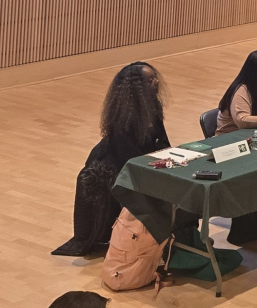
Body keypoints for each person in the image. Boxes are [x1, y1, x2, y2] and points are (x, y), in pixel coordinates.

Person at [52, 62, 169, 256]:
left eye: (154, 77)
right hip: (112, 165)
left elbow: (162, 139)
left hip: (139, 159)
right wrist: (152, 165)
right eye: (150, 80)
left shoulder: (153, 105)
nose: (156, 82)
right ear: (137, 88)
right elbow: (127, 155)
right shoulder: (123, 116)